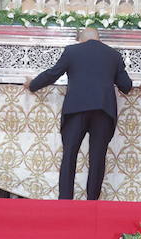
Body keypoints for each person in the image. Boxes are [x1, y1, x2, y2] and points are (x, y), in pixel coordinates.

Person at [25, 26, 132, 200]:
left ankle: (66, 199)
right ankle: (92, 201)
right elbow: (125, 86)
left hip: (76, 109)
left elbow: (53, 74)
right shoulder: (113, 55)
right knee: (97, 157)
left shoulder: (72, 51)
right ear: (99, 38)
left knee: (70, 154)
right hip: (103, 110)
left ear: (81, 39)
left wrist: (33, 85)